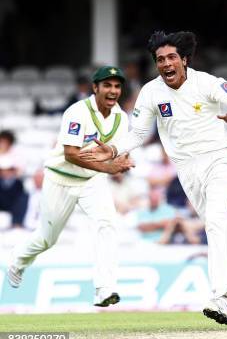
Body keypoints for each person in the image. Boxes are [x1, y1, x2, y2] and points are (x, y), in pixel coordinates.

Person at [80, 31, 227, 325]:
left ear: (184, 59)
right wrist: (115, 149)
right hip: (187, 171)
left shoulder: (206, 82)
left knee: (216, 221)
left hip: (218, 160)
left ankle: (224, 298)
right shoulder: (151, 92)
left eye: (171, 58)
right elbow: (139, 133)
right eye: (160, 60)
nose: (166, 64)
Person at [6, 66, 134, 308]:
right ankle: (17, 261)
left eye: (117, 86)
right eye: (107, 85)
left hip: (91, 181)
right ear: (94, 88)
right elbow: (71, 155)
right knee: (46, 239)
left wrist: (121, 160)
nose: (113, 90)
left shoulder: (121, 117)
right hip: (60, 179)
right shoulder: (77, 112)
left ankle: (104, 289)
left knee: (107, 224)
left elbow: (111, 152)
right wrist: (108, 167)